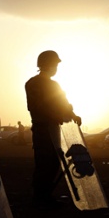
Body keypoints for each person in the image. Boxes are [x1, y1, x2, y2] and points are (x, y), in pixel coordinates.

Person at [25, 50, 81, 208]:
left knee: (54, 163)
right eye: (55, 64)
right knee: (44, 163)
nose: (56, 68)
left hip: (54, 129)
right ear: (47, 64)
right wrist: (53, 116)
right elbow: (35, 107)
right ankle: (39, 197)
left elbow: (63, 103)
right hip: (43, 129)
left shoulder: (55, 85)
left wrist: (73, 114)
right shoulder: (34, 83)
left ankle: (46, 194)